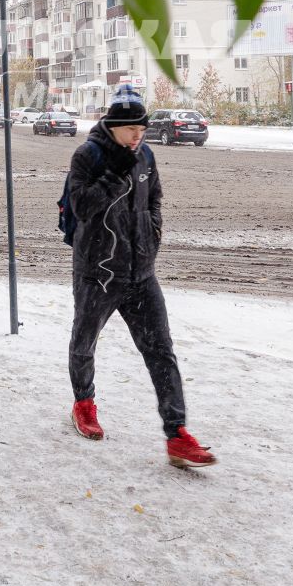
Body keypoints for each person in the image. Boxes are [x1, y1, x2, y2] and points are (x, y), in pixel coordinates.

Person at [65, 88, 216, 470]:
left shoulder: (146, 155)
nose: (138, 136)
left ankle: (177, 434)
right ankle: (84, 403)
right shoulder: (89, 156)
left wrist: (153, 234)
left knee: (161, 351)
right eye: (131, 129)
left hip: (141, 273)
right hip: (97, 272)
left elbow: (154, 198)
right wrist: (113, 178)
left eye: (142, 129)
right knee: (85, 342)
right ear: (113, 128)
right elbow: (80, 206)